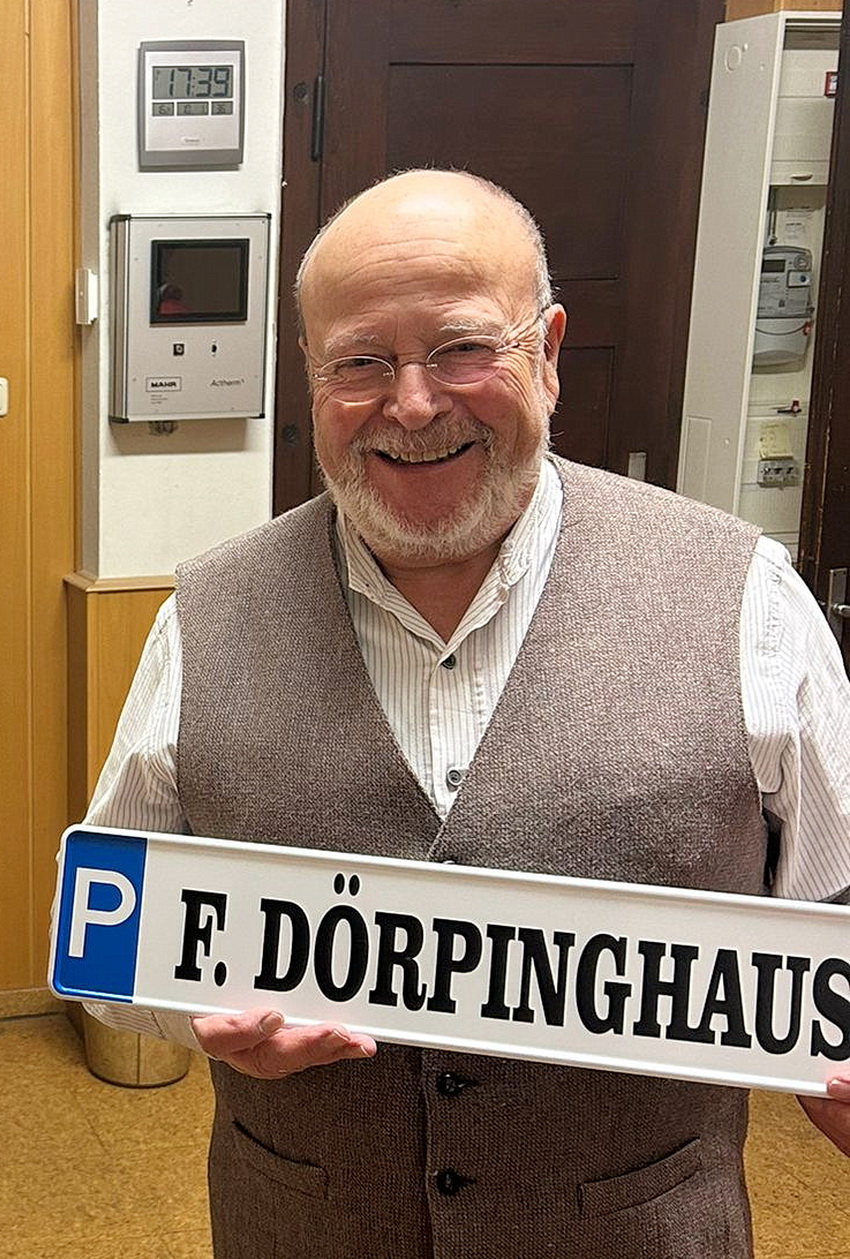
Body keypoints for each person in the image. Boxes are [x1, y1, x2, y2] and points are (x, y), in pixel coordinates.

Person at [83, 169, 850, 1258]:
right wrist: (194, 1013)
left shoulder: (743, 598)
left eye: (460, 348)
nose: (410, 403)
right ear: (311, 376)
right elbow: (110, 945)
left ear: (547, 351)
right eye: (361, 361)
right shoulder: (205, 617)